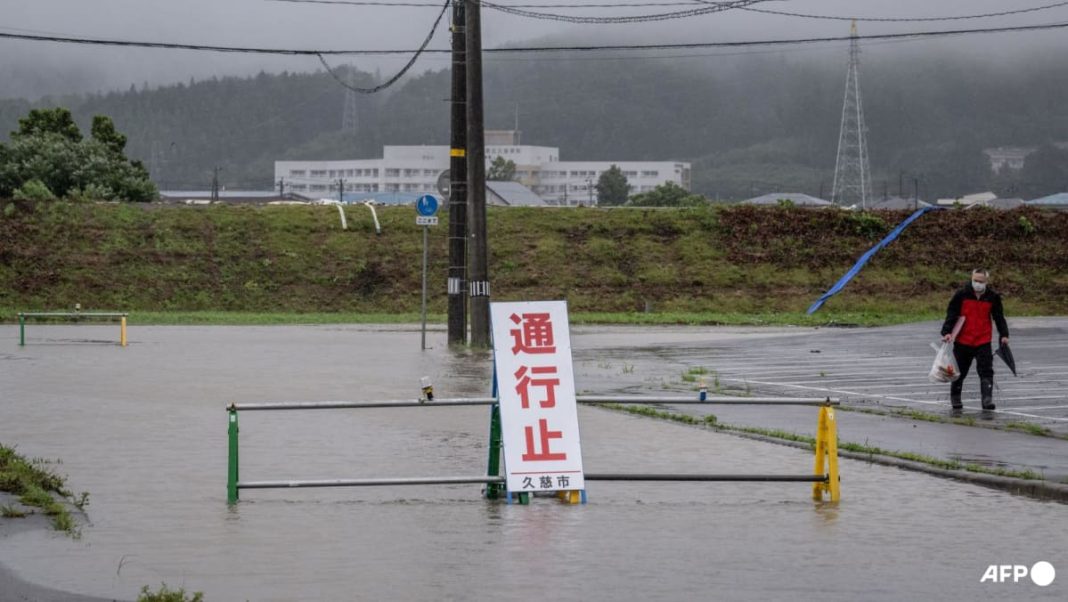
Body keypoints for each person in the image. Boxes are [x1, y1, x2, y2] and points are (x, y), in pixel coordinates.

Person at [941, 268, 1009, 410]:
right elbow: (952, 313)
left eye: (981, 281)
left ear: (986, 282)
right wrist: (946, 332)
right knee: (959, 371)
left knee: (986, 370)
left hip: (983, 340)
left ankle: (987, 400)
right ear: (971, 279)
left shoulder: (993, 297)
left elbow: (999, 317)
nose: (978, 284)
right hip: (963, 340)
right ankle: (956, 398)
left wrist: (1004, 335)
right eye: (975, 280)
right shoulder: (961, 295)